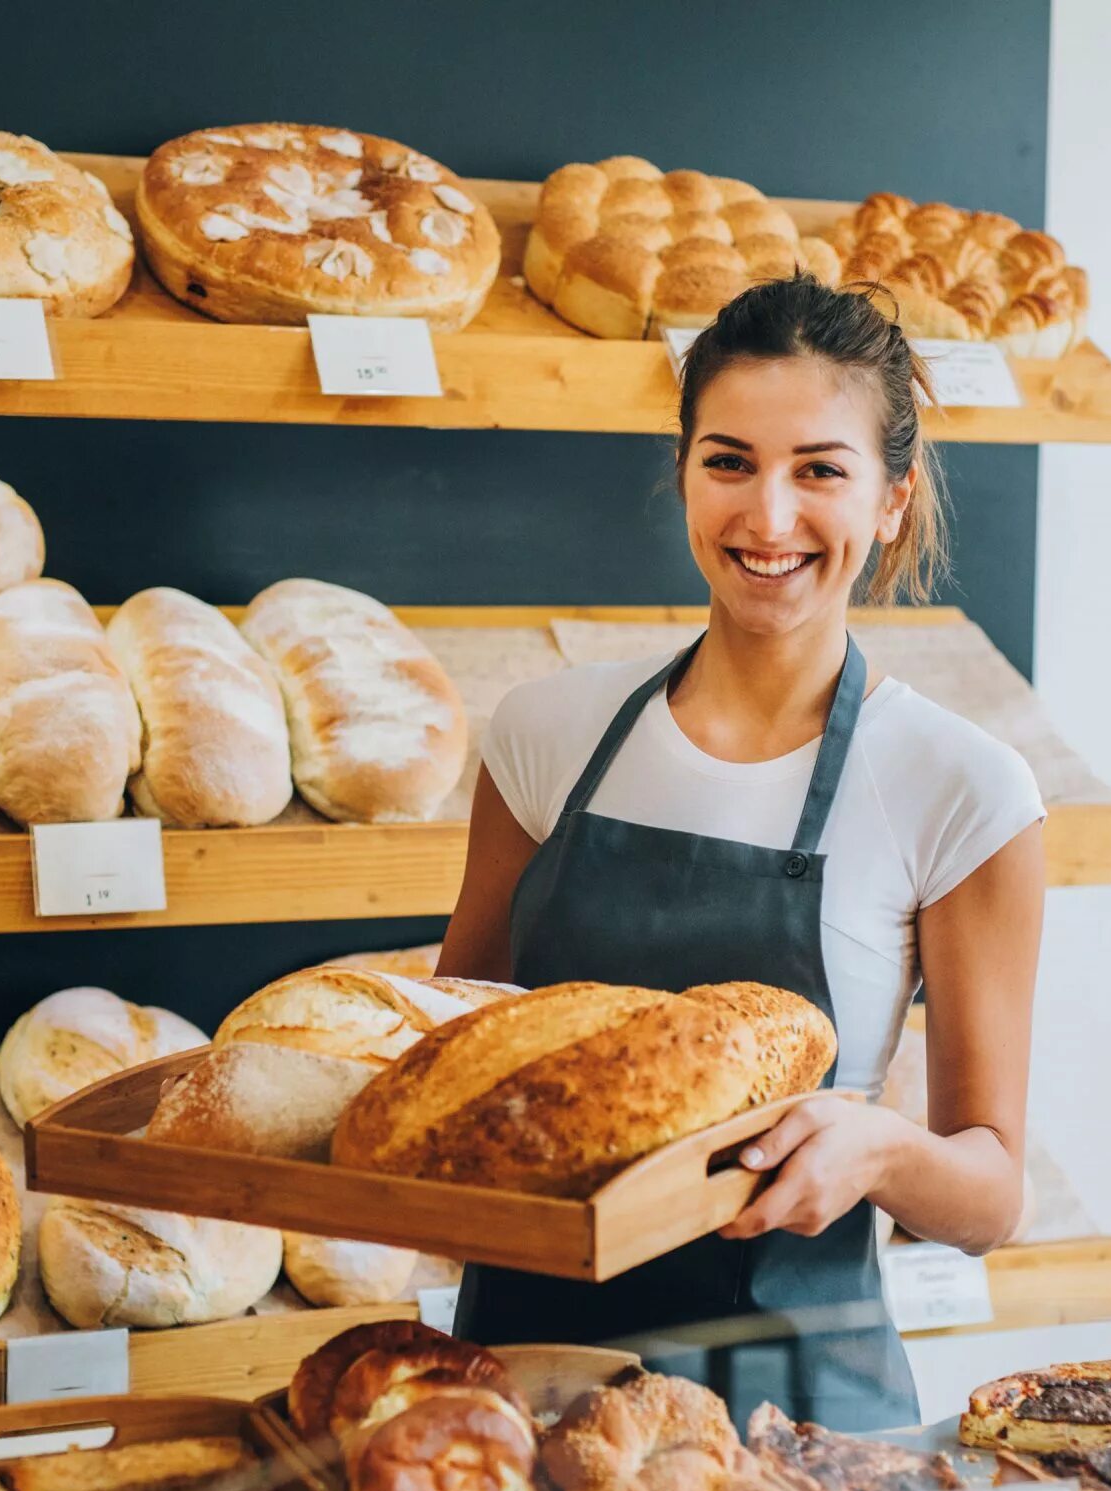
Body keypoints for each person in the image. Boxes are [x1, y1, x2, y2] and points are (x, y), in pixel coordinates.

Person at [436, 274, 1047, 1430]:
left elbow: (989, 1192)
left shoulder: (960, 788)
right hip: (522, 1398)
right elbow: (456, 1051)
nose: (767, 518)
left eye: (818, 469)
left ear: (890, 502)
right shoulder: (545, 735)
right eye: (728, 462)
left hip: (796, 1424)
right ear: (681, 475)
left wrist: (874, 1150)